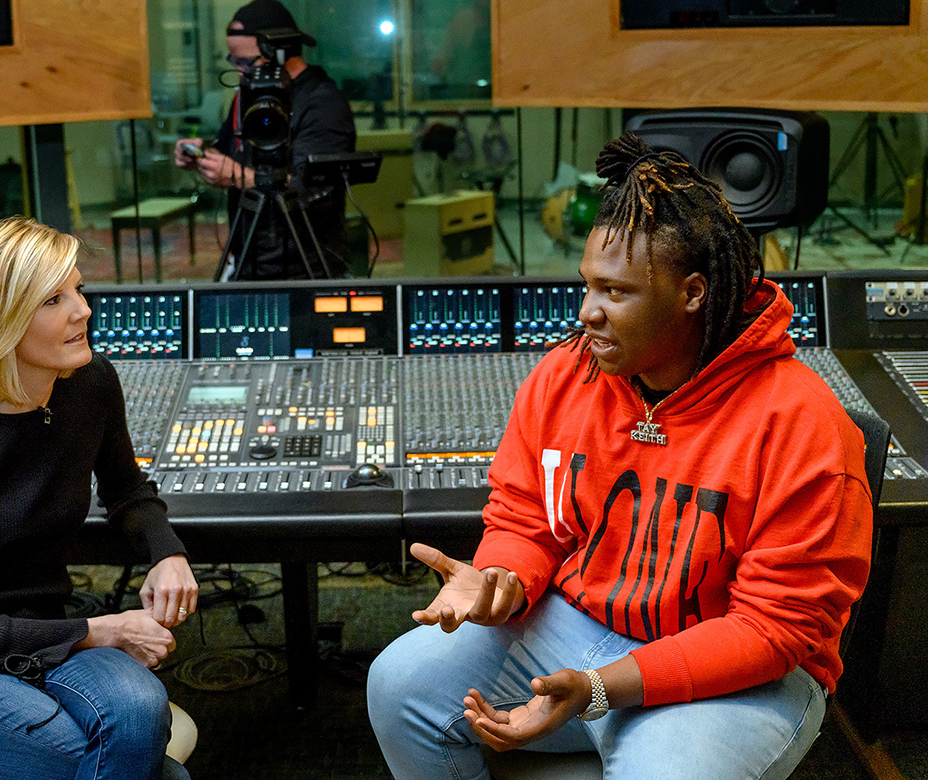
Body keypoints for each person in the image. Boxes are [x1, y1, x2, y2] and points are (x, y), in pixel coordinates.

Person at [367, 133, 873, 780]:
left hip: (742, 665)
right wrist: (502, 578)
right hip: (581, 623)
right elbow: (525, 517)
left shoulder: (805, 426)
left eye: (615, 292)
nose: (587, 314)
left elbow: (774, 631)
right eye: (586, 286)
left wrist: (602, 687)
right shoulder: (564, 377)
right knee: (397, 686)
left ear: (692, 293)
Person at [0, 217, 198, 780]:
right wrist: (108, 630)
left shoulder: (89, 382)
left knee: (141, 715)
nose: (83, 311)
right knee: (149, 770)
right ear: (2, 321)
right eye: (54, 299)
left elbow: (126, 489)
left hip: (43, 635)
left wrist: (167, 551)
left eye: (78, 291)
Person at [174, 0, 357, 280]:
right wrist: (200, 155)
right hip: (250, 259)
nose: (239, 72)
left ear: (281, 54)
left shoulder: (324, 104)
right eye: (233, 61)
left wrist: (235, 176)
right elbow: (229, 151)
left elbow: (309, 189)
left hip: (305, 268)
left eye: (246, 62)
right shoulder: (249, 97)